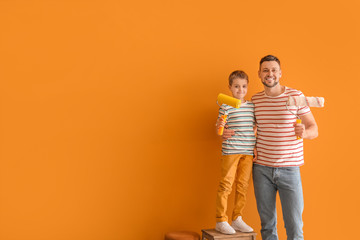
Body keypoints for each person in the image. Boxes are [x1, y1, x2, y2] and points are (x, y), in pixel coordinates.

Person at [251, 55, 318, 240]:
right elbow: (250, 129)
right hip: (261, 169)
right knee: (267, 226)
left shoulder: (296, 96)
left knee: (295, 227)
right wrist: (248, 145)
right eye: (265, 70)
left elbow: (314, 129)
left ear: (280, 73)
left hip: (290, 169)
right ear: (259, 74)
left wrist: (303, 132)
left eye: (273, 70)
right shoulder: (255, 100)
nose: (269, 74)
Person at [214, 70, 256, 235]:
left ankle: (237, 218)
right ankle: (221, 220)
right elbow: (219, 129)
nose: (241, 90)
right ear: (230, 87)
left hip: (248, 151)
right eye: (237, 86)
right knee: (226, 185)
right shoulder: (225, 106)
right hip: (231, 150)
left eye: (244, 86)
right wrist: (220, 128)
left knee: (243, 186)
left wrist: (255, 144)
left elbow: (255, 126)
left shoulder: (252, 106)